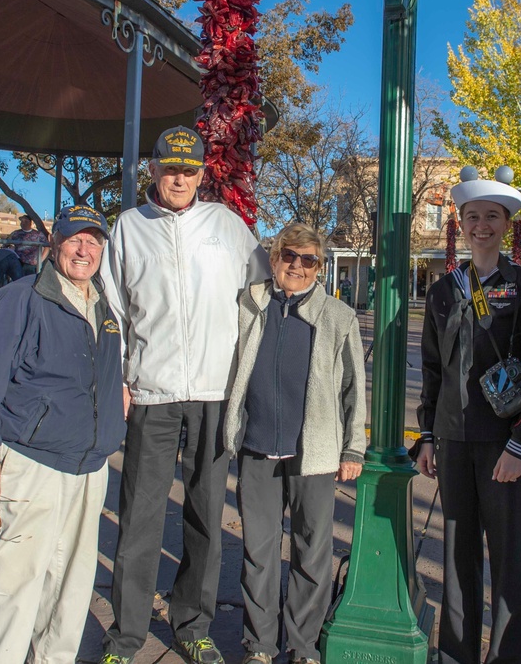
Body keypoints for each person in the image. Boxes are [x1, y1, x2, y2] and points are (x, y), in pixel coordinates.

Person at [98, 126, 270, 664]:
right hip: (152, 392)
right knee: (141, 516)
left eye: (189, 169)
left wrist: (249, 376)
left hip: (215, 394)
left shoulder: (228, 227)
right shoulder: (128, 228)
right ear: (152, 170)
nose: (179, 178)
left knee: (204, 514)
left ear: (202, 173)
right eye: (170, 168)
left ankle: (192, 624)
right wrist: (122, 380)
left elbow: (260, 298)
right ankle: (125, 635)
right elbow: (114, 311)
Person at [0, 205, 125, 664]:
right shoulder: (22, 298)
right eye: (75, 240)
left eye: (94, 242)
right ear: (55, 245)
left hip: (89, 469)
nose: (85, 250)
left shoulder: (103, 306)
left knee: (70, 589)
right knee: (12, 585)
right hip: (31, 466)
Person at [416, 166, 521, 662]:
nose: (482, 225)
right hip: (454, 444)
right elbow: (432, 370)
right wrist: (429, 437)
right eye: (473, 216)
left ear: (507, 224)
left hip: (505, 447)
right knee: (456, 560)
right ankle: (456, 655)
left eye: (492, 216)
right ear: (461, 222)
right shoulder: (441, 290)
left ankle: (506, 657)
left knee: (508, 562)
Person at [224, 223, 367, 664]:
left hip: (316, 455)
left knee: (312, 553)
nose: (298, 267)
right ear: (274, 257)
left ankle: (303, 647)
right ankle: (261, 646)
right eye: (290, 256)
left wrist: (352, 449)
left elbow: (354, 389)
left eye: (309, 260)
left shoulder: (338, 317)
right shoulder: (249, 305)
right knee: (259, 553)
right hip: (257, 448)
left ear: (319, 267)